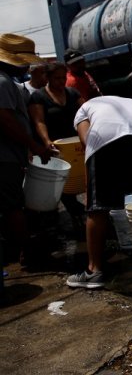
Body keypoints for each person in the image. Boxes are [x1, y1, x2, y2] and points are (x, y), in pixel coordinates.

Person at [66, 95, 132, 289]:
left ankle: (94, 271)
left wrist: (90, 190)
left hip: (106, 140)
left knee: (97, 207)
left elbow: (88, 143)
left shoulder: (83, 109)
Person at [0, 33, 54, 270]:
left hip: (11, 155)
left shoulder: (8, 82)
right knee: (13, 206)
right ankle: (28, 252)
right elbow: (5, 119)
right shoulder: (1, 82)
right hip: (4, 157)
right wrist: (34, 146)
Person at [28, 62, 86, 234]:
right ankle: (75, 219)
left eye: (63, 78)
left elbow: (86, 112)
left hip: (75, 146)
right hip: (55, 148)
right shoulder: (38, 97)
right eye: (57, 78)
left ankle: (82, 217)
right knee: (63, 187)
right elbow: (39, 121)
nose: (61, 82)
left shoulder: (73, 93)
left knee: (81, 182)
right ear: (48, 78)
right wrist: (46, 141)